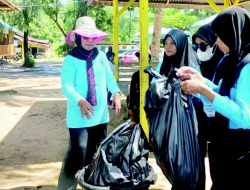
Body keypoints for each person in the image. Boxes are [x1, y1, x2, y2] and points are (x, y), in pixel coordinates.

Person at [178, 7, 250, 190]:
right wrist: (201, 81)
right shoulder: (234, 60)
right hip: (226, 145)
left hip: (241, 151)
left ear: (232, 33)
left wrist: (203, 90)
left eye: (219, 35)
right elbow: (226, 94)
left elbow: (244, 116)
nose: (217, 41)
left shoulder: (248, 67)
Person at [58, 16, 121, 190]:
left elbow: (109, 77)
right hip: (79, 115)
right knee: (78, 151)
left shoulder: (100, 56)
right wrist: (79, 100)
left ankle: (91, 185)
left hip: (100, 115)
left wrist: (115, 92)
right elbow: (66, 85)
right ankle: (67, 186)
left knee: (96, 154)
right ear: (77, 38)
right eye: (85, 37)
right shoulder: (70, 59)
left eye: (93, 37)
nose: (90, 40)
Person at [127, 51, 152, 126]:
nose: (139, 61)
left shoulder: (153, 75)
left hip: (148, 107)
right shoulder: (136, 75)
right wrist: (130, 107)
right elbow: (132, 91)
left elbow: (132, 92)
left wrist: (130, 107)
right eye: (139, 59)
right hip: (139, 107)